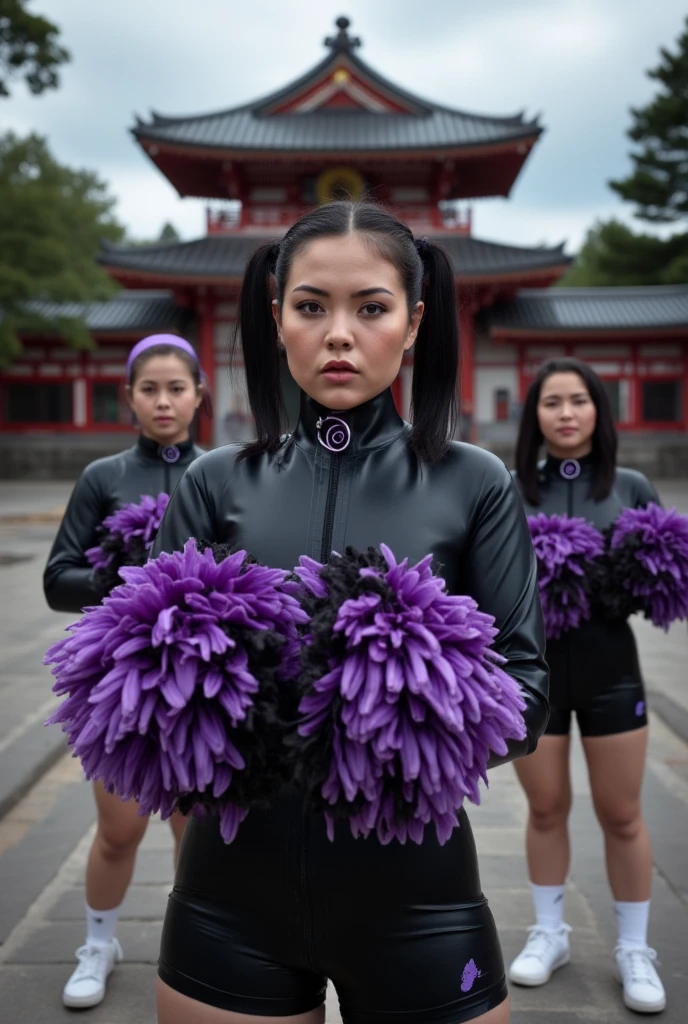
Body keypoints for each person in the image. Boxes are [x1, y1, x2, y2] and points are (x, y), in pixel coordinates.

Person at [150, 201, 549, 1024]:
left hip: (420, 904)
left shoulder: (477, 482)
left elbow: (528, 690)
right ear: (276, 320)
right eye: (310, 307)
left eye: (370, 307)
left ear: (413, 324)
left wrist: (390, 719)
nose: (339, 333)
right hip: (226, 904)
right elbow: (148, 670)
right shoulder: (211, 482)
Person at [43, 334, 208, 1009]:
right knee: (120, 827)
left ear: (199, 394)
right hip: (120, 682)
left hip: (205, 683)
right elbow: (58, 580)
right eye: (150, 389)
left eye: (176, 388)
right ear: (129, 398)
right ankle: (98, 942)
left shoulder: (226, 471)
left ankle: (191, 945)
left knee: (194, 831)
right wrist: (125, 572)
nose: (164, 402)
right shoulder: (103, 478)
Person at [508, 358, 666, 1014]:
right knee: (545, 809)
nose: (566, 413)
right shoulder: (512, 488)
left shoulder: (630, 485)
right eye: (552, 403)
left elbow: (664, 571)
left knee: (622, 813)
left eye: (578, 401)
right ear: (534, 415)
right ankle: (550, 932)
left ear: (598, 410)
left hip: (611, 673)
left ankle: (635, 947)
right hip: (536, 676)